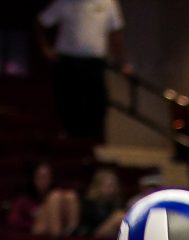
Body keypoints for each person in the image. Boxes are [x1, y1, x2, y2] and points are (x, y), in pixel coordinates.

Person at [38, 0, 126, 142]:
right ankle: (69, 142)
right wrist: (45, 49)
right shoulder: (64, 2)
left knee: (96, 106)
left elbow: (116, 32)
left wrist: (121, 62)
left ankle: (94, 144)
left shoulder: (108, 3)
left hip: (94, 62)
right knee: (69, 106)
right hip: (68, 61)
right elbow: (42, 21)